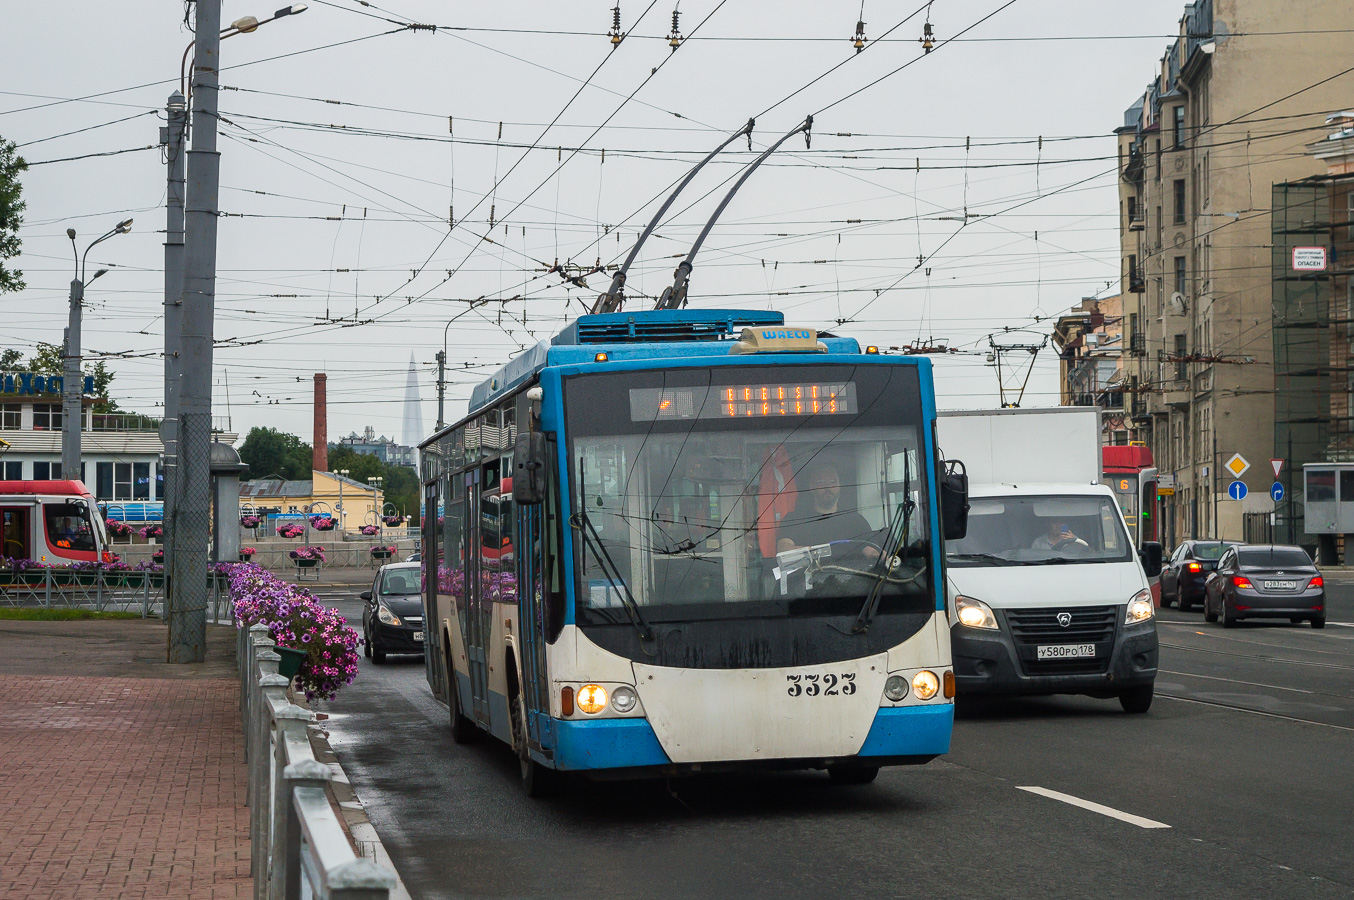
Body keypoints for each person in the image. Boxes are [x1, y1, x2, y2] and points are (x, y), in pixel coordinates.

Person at [776, 463, 879, 557]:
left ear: (839, 486)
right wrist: (816, 553)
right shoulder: (795, 519)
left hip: (850, 576)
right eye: (821, 482)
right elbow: (784, 549)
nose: (828, 487)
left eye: (833, 482)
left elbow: (871, 551)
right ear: (811, 486)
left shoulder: (855, 520)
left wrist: (878, 556)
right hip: (810, 576)